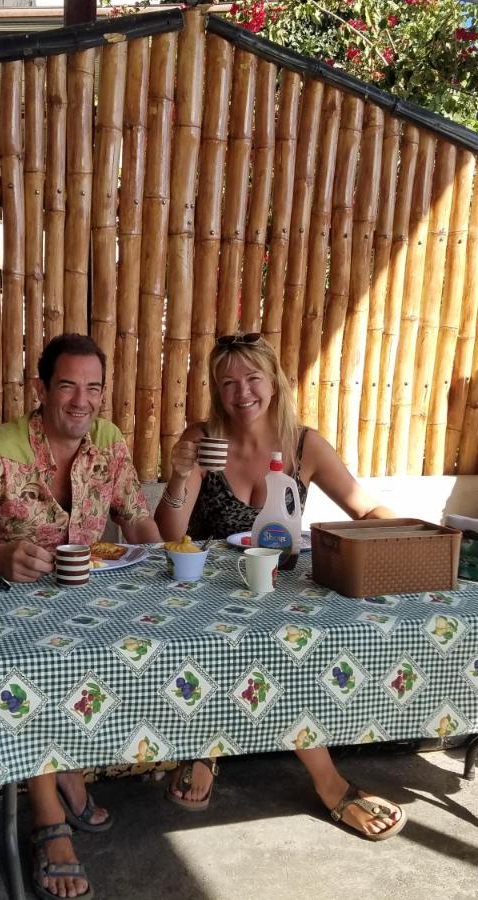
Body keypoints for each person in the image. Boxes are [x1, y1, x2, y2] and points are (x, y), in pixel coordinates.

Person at [0, 333, 161, 900]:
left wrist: (166, 558)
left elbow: (137, 521)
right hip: (7, 608)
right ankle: (48, 817)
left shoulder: (109, 442)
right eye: (67, 386)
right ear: (41, 389)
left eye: (93, 388)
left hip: (85, 605)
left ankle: (68, 765)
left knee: (142, 652)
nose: (81, 401)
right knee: (33, 671)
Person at [155, 331, 407, 841]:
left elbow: (363, 508)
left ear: (274, 382)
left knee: (294, 639)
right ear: (215, 389)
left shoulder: (303, 444)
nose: (241, 392)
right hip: (206, 591)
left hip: (281, 586)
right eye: (227, 382)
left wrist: (414, 535)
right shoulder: (204, 437)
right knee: (253, 641)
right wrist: (180, 475)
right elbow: (168, 533)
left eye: (252, 378)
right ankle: (231, 754)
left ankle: (225, 750)